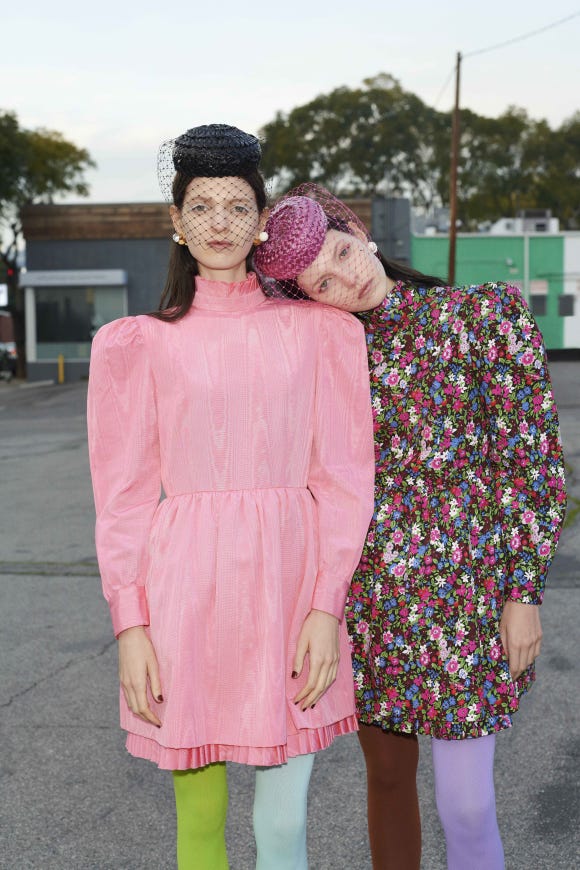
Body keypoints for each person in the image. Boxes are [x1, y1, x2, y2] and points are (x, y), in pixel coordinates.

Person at [254, 185, 567, 870]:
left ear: (359, 232)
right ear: (310, 301)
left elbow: (533, 465)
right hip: (372, 605)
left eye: (342, 252)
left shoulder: (483, 316)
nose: (348, 277)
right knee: (388, 781)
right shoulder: (328, 360)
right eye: (324, 283)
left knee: (468, 803)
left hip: (472, 601)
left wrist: (523, 592)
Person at [87, 131, 375, 870]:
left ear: (261, 222)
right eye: (201, 206)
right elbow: (121, 501)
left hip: (291, 596)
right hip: (183, 598)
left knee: (281, 829)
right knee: (200, 825)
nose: (219, 222)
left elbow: (345, 480)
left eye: (238, 206)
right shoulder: (136, 344)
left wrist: (325, 607)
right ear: (177, 221)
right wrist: (131, 626)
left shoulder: (324, 334)